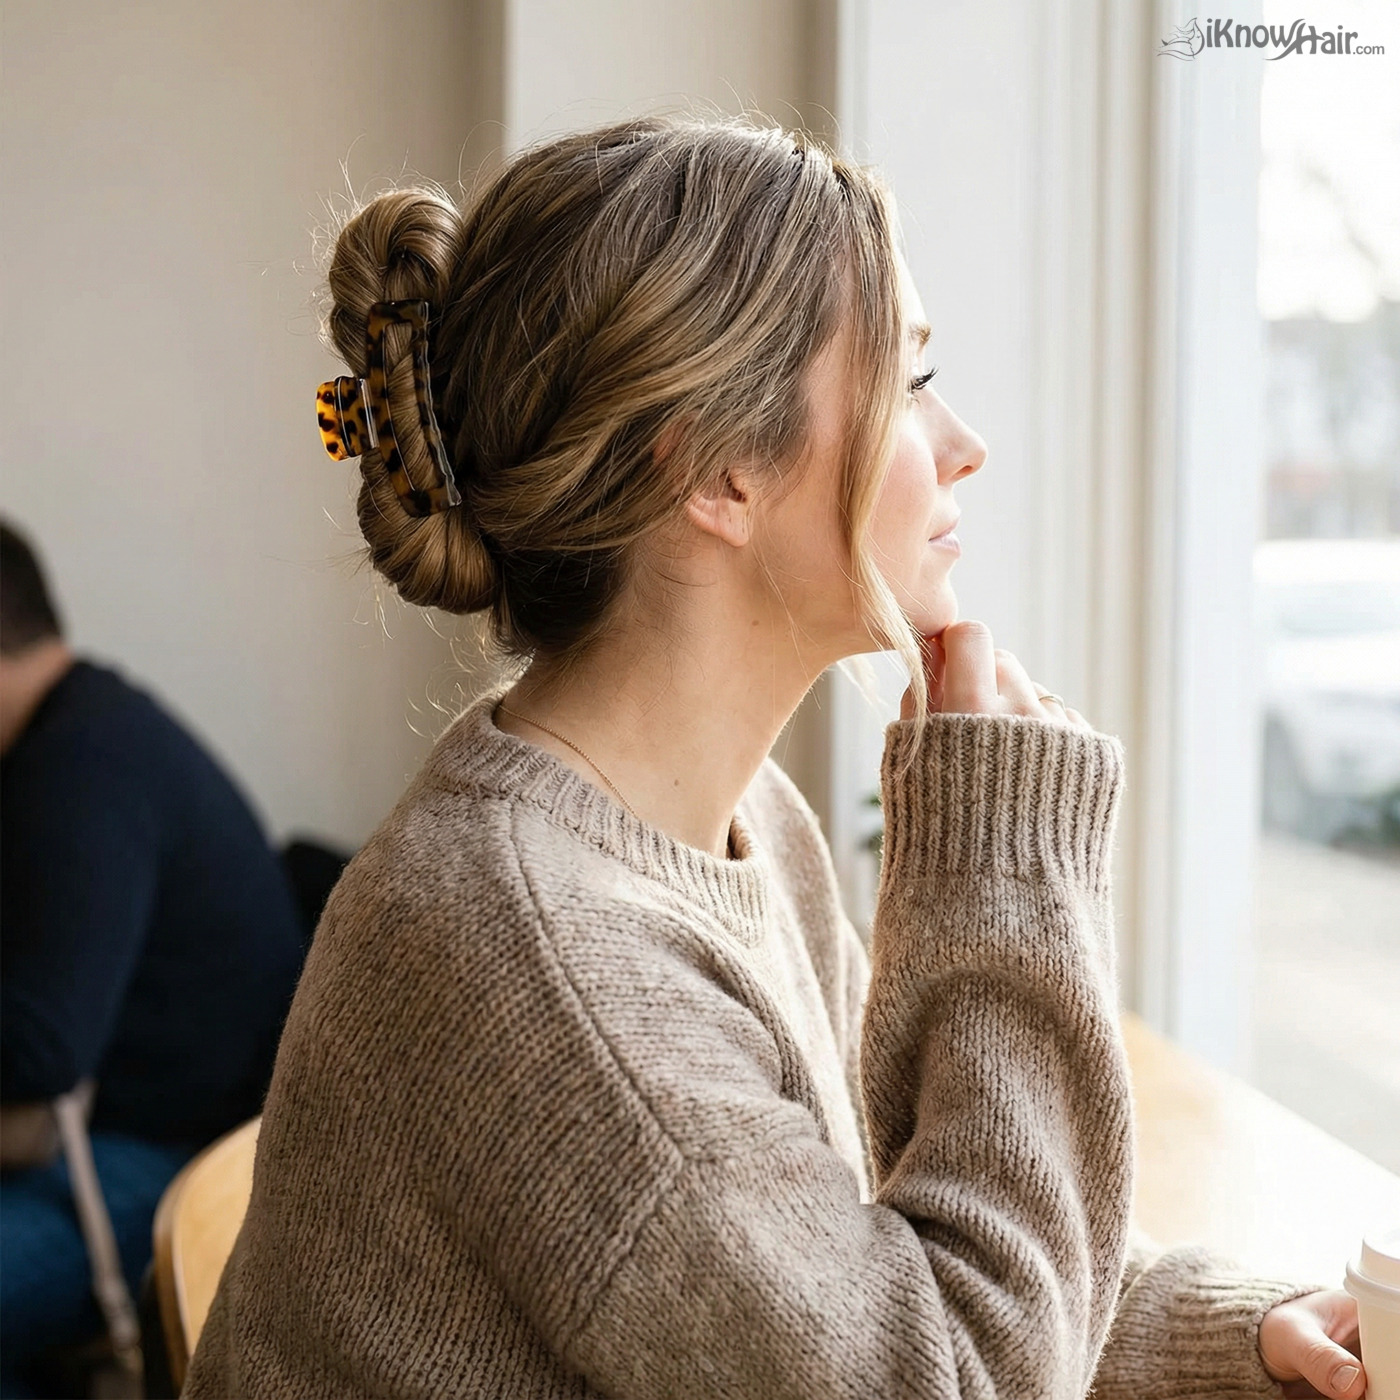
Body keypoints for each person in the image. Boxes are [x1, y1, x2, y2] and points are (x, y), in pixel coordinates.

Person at [184, 116, 1365, 1399]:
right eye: (907, 383)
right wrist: (1004, 866)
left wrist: (1234, 1334)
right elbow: (955, 1373)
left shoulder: (740, 823)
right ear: (718, 470)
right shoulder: (540, 955)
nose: (962, 442)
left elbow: (872, 1265)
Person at [0, 520, 306, 1397]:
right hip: (124, 1134)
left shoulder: (82, 768)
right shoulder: (77, 736)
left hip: (187, 1162)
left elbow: (41, 1045)